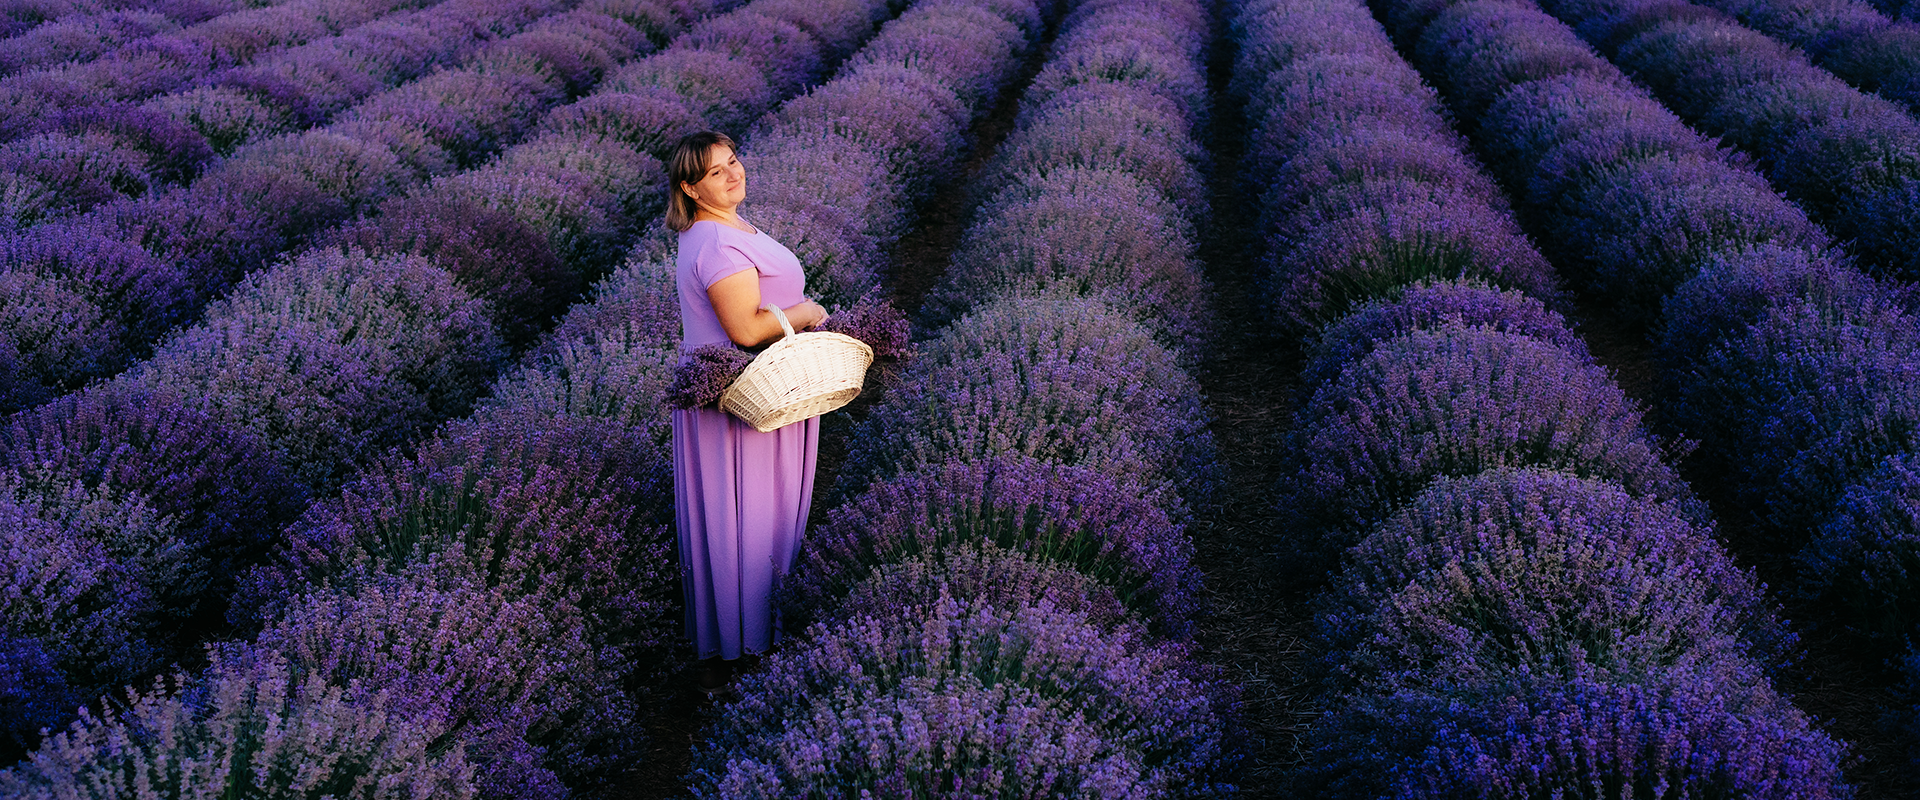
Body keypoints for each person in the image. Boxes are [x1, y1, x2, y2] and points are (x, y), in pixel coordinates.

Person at [666, 130, 829, 695]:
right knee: (749, 516)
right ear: (690, 188)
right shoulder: (714, 244)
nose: (733, 174)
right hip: (744, 402)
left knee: (757, 513)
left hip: (762, 394)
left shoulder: (731, 228)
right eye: (715, 172)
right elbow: (744, 329)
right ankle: (745, 655)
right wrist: (806, 310)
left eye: (733, 161)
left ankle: (751, 638)